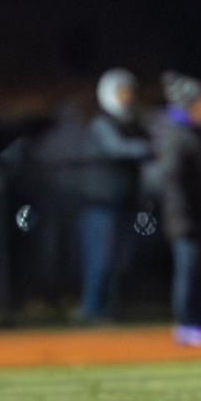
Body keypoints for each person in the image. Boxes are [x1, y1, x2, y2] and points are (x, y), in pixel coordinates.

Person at [154, 71, 201, 346]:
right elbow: (172, 181)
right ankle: (187, 324)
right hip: (187, 220)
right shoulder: (176, 135)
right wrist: (183, 217)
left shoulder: (195, 133)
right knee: (189, 273)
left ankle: (199, 322)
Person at [75, 69, 150, 322]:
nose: (127, 97)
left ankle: (107, 307)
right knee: (100, 260)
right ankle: (90, 308)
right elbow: (116, 149)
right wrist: (149, 148)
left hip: (122, 203)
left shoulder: (131, 122)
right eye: (121, 91)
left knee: (120, 261)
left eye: (129, 91)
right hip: (100, 205)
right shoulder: (102, 122)